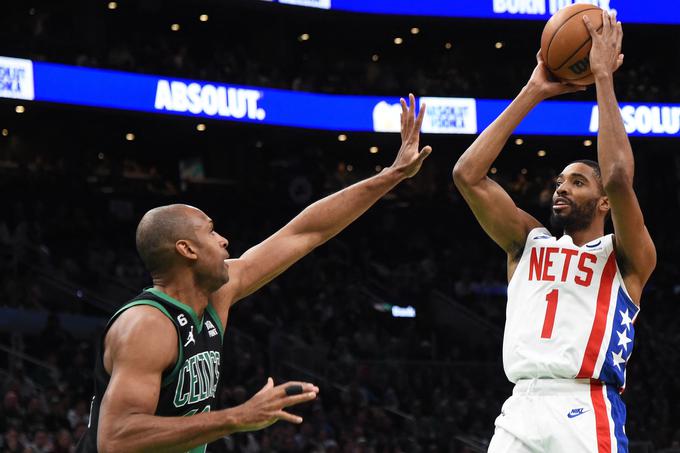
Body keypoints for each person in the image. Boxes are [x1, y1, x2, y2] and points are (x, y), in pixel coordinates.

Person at [75, 95, 432, 453]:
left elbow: (306, 232)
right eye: (211, 232)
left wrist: (392, 175)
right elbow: (115, 438)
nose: (224, 240)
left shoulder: (217, 294)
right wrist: (238, 417)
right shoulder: (147, 326)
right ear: (187, 250)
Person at [452, 11, 655, 452]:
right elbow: (468, 174)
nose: (562, 186)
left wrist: (603, 76)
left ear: (604, 204)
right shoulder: (528, 241)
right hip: (520, 407)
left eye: (577, 181)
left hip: (584, 407)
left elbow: (619, 176)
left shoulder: (625, 256)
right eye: (560, 180)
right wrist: (534, 91)